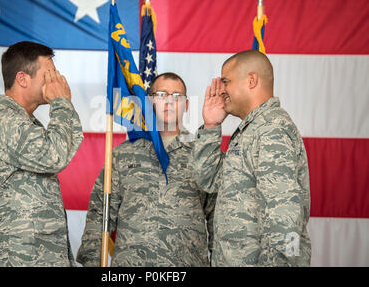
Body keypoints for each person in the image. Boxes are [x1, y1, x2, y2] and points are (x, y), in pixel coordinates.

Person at [76, 72, 216, 266]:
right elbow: (100, 212)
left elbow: (216, 218)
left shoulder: (203, 152)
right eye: (161, 95)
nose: (169, 101)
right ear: (149, 101)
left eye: (177, 96)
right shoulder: (123, 154)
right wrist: (92, 261)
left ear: (186, 105)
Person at [0, 41, 84, 266]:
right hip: (8, 255)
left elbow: (58, 149)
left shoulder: (24, 123)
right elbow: (54, 155)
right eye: (49, 74)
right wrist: (61, 103)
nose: (56, 80)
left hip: (28, 254)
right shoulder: (5, 121)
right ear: (22, 79)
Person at [193, 50, 311, 266]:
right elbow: (208, 180)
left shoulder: (271, 130)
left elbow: (285, 216)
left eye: (226, 82)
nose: (222, 91)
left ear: (251, 80)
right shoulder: (252, 130)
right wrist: (210, 126)